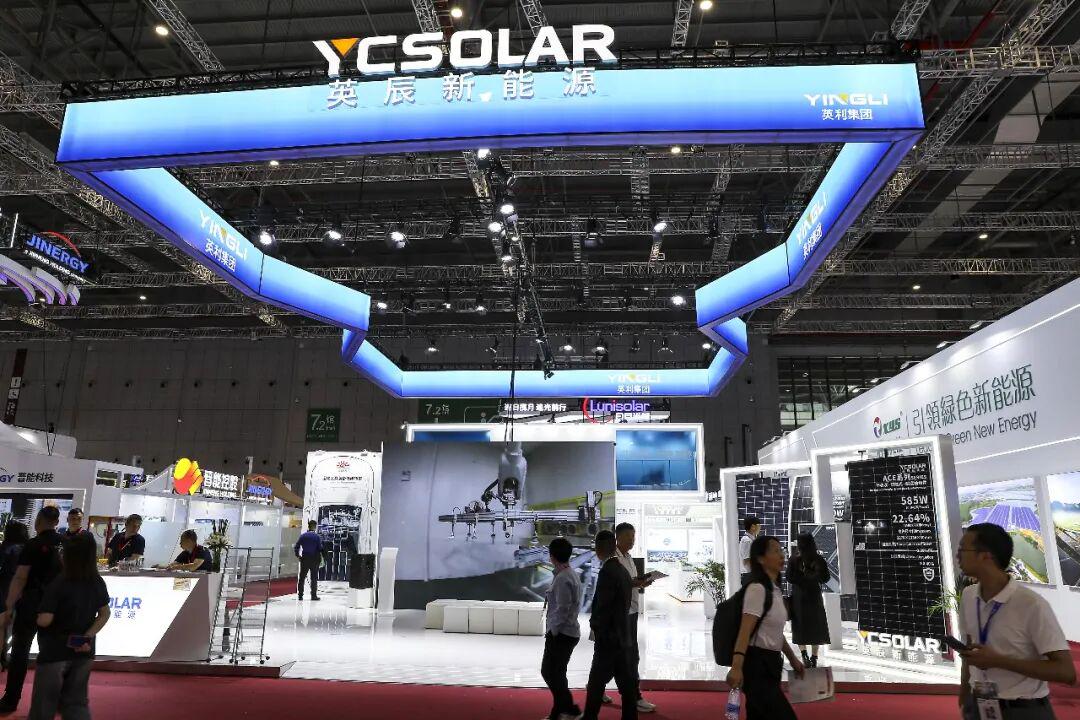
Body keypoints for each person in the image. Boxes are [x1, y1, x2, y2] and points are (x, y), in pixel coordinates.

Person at [957, 523, 1075, 720]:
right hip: (980, 706)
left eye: (963, 549)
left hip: (1024, 710)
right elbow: (971, 647)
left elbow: (1066, 672)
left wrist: (998, 661)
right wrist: (965, 693)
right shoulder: (969, 596)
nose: (957, 555)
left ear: (985, 556)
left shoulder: (1031, 605)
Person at [27, 532, 110, 720]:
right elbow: (104, 614)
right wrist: (87, 636)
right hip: (84, 650)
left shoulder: (59, 583)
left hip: (55, 651)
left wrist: (33, 614)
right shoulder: (97, 581)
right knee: (77, 703)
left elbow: (45, 619)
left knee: (44, 705)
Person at [726, 535, 805, 720]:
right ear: (761, 559)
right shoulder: (757, 589)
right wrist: (736, 667)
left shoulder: (774, 590)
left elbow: (775, 632)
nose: (781, 555)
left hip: (771, 664)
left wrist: (792, 659)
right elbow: (745, 631)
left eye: (781, 550)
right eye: (775, 551)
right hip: (757, 666)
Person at [0, 506, 64, 714]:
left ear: (38, 520)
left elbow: (20, 577)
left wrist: (9, 605)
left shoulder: (32, 545)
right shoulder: (66, 544)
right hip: (56, 607)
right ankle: (52, 702)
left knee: (20, 653)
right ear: (57, 522)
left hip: (31, 604)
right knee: (52, 656)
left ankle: (11, 700)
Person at [581, 529, 637, 720]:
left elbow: (603, 607)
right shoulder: (622, 570)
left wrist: (595, 626)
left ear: (597, 549)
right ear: (614, 547)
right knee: (626, 684)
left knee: (596, 682)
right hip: (622, 635)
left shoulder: (607, 572)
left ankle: (589, 717)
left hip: (608, 638)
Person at [613, 522, 656, 714]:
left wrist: (641, 583)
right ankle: (634, 697)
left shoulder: (629, 557)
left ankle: (596, 688)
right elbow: (618, 583)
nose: (632, 540)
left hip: (631, 612)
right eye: (628, 536)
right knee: (629, 657)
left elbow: (629, 582)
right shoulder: (614, 559)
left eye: (633, 536)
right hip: (621, 614)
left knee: (619, 656)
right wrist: (635, 583)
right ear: (618, 537)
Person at [541, 537, 582, 720]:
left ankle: (570, 709)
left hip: (562, 634)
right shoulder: (568, 574)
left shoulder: (563, 578)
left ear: (552, 556)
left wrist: (553, 632)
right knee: (556, 674)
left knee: (550, 672)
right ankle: (558, 712)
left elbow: (562, 609)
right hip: (567, 632)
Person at [786, 533, 830, 668]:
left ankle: (804, 654)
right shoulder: (818, 559)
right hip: (814, 596)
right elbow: (826, 578)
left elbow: (789, 577)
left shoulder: (794, 559)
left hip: (799, 597)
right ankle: (814, 657)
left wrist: (801, 579)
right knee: (816, 625)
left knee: (800, 626)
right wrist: (813, 576)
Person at [0, 522, 29, 671]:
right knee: (18, 630)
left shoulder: (4, 549)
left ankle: (2, 658)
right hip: (24, 594)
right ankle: (12, 659)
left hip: (4, 591)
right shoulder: (27, 550)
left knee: (2, 628)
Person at [294, 520, 324, 601]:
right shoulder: (317, 537)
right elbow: (320, 548)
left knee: (302, 578)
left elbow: (296, 547)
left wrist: (298, 555)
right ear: (315, 527)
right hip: (315, 559)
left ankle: (300, 595)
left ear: (308, 526)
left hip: (305, 559)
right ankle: (313, 596)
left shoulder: (303, 536)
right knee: (314, 578)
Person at [739, 516, 761, 586]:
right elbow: (746, 560)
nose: (760, 528)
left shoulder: (751, 540)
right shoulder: (747, 541)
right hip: (749, 575)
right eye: (759, 526)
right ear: (753, 527)